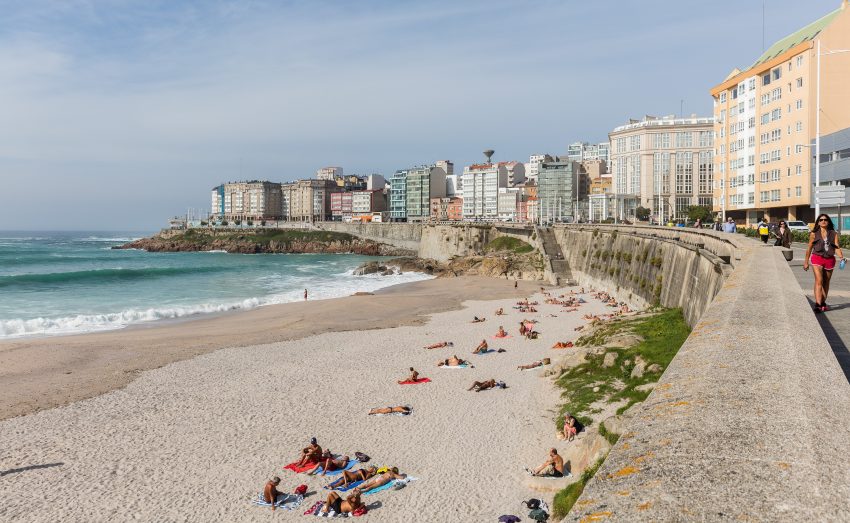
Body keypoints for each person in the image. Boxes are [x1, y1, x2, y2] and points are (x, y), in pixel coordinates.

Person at [804, 214, 845, 312]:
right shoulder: (814, 233)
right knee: (819, 280)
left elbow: (837, 247)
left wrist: (841, 257)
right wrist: (806, 262)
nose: (823, 221)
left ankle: (823, 301)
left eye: (825, 220)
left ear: (828, 221)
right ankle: (818, 304)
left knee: (826, 282)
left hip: (830, 259)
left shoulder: (833, 233)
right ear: (818, 222)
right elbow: (809, 248)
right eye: (821, 220)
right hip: (817, 258)